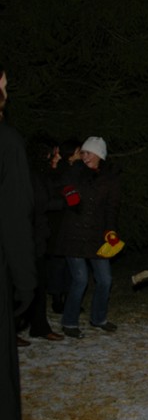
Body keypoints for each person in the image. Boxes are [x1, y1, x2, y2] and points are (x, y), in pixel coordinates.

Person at [55, 136, 122, 338]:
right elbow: (60, 183)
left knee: (105, 280)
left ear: (99, 155)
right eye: (83, 152)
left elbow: (112, 208)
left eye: (88, 153)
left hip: (96, 235)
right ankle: (69, 322)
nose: (84, 156)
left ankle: (98, 318)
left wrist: (110, 231)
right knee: (80, 279)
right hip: (73, 235)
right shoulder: (74, 172)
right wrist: (68, 192)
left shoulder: (110, 179)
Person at [0, 69, 36, 420]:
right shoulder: (7, 142)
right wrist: (25, 282)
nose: (7, 91)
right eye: (5, 85)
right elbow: (15, 214)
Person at [18, 137, 65, 342]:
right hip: (27, 237)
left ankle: (38, 326)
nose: (58, 156)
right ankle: (12, 329)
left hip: (38, 237)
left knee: (39, 284)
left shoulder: (41, 174)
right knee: (24, 285)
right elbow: (39, 203)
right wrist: (66, 202)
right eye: (55, 153)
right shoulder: (31, 174)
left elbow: (51, 187)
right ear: (45, 154)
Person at [46, 138, 82, 314]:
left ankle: (69, 297)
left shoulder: (78, 170)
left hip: (70, 220)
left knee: (70, 261)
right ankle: (57, 298)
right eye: (78, 150)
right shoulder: (61, 172)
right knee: (58, 262)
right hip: (58, 221)